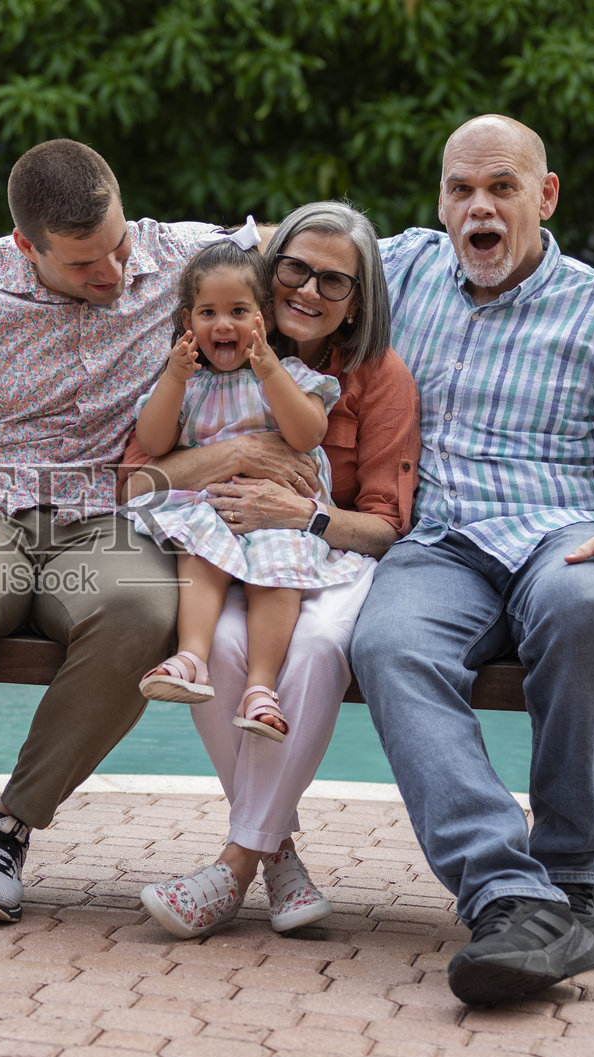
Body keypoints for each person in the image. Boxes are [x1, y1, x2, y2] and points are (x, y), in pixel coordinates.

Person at [349, 114, 594, 1005]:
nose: (480, 207)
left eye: (502, 187)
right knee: (386, 642)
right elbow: (287, 248)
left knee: (591, 603)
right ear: (440, 203)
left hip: (562, 534)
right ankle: (510, 894)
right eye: (461, 189)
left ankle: (573, 880)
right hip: (439, 542)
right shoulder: (404, 270)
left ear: (544, 196)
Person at [0, 139, 221, 930]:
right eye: (85, 263)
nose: (115, 273)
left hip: (105, 518)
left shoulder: (179, 257)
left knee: (141, 609)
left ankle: (7, 829)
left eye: (118, 246)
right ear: (28, 246)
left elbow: (315, 251)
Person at [124, 201, 421, 938]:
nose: (309, 290)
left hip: (325, 552)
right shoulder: (207, 354)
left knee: (317, 647)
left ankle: (235, 867)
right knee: (220, 648)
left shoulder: (377, 376)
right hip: (230, 547)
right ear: (270, 270)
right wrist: (232, 455)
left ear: (358, 302)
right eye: (295, 268)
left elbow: (385, 524)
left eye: (334, 280)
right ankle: (279, 856)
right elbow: (136, 480)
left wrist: (305, 516)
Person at [129, 225, 365, 747]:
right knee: (198, 546)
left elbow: (307, 433)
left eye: (239, 311)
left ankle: (261, 688)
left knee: (279, 570)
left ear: (263, 318)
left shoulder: (290, 373)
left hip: (280, 515)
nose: (223, 324)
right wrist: (173, 380)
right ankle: (192, 656)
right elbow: (153, 440)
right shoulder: (189, 383)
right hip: (212, 506)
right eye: (208, 313)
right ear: (188, 322)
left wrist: (270, 371)